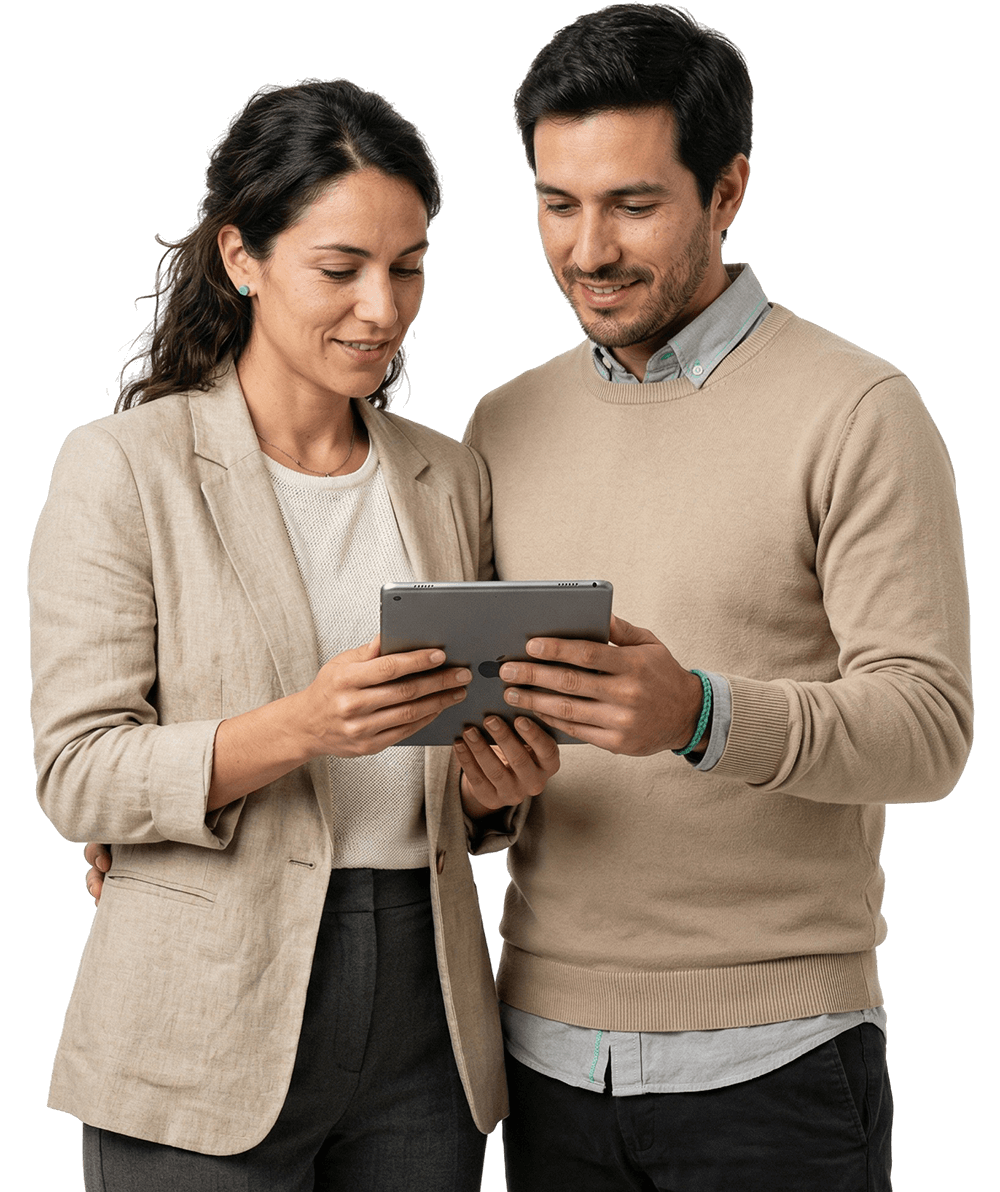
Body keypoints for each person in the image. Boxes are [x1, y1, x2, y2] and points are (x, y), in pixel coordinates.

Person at [454, 6, 969, 1191]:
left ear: (727, 190)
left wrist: (698, 714)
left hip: (776, 1065)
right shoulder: (498, 423)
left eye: (633, 204)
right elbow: (475, 736)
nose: (586, 249)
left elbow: (931, 729)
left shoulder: (858, 409)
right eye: (555, 202)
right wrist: (484, 792)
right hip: (533, 1054)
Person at [29, 77, 558, 1191]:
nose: (382, 307)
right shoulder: (122, 466)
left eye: (406, 266)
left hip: (430, 1001)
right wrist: (302, 726)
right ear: (242, 258)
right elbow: (78, 773)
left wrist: (490, 788)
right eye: (340, 268)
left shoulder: (447, 473)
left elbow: (450, 774)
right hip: (199, 1004)